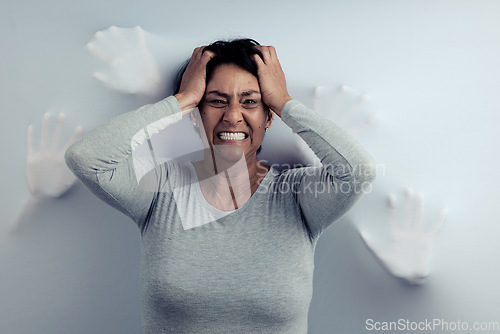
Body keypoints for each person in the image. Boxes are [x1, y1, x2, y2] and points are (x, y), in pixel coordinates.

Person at [65, 38, 376, 334]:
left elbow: (358, 172)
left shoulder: (296, 195)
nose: (233, 116)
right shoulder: (161, 189)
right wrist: (180, 101)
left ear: (268, 117)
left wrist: (283, 102)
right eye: (216, 101)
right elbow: (86, 158)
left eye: (250, 102)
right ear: (196, 115)